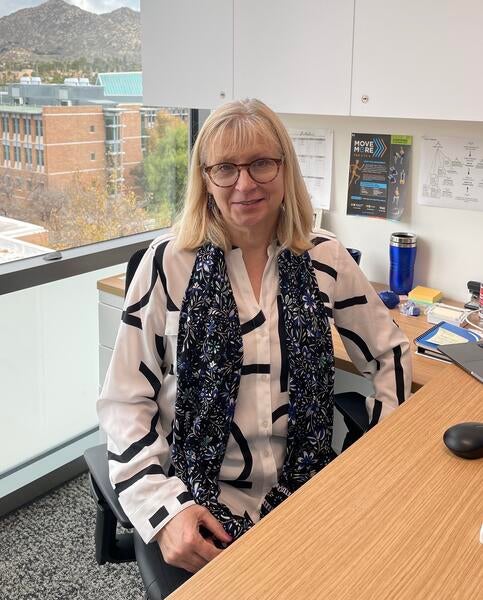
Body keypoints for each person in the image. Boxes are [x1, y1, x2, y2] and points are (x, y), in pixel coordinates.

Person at [97, 99, 412, 586]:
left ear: (284, 169)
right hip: (198, 500)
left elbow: (390, 351)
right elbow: (124, 401)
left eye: (261, 163)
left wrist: (384, 454)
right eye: (225, 168)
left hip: (310, 492)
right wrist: (162, 511)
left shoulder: (324, 257)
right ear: (205, 179)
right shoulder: (167, 264)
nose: (245, 184)